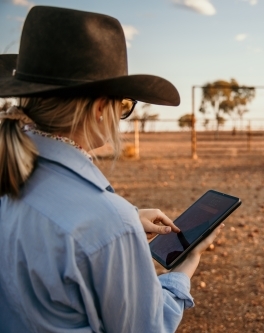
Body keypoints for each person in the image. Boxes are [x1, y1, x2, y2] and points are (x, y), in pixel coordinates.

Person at [0, 6, 223, 333]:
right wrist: (183, 270)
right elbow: (147, 327)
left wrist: (130, 218)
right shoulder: (107, 222)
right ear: (102, 107)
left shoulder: (11, 174)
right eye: (125, 105)